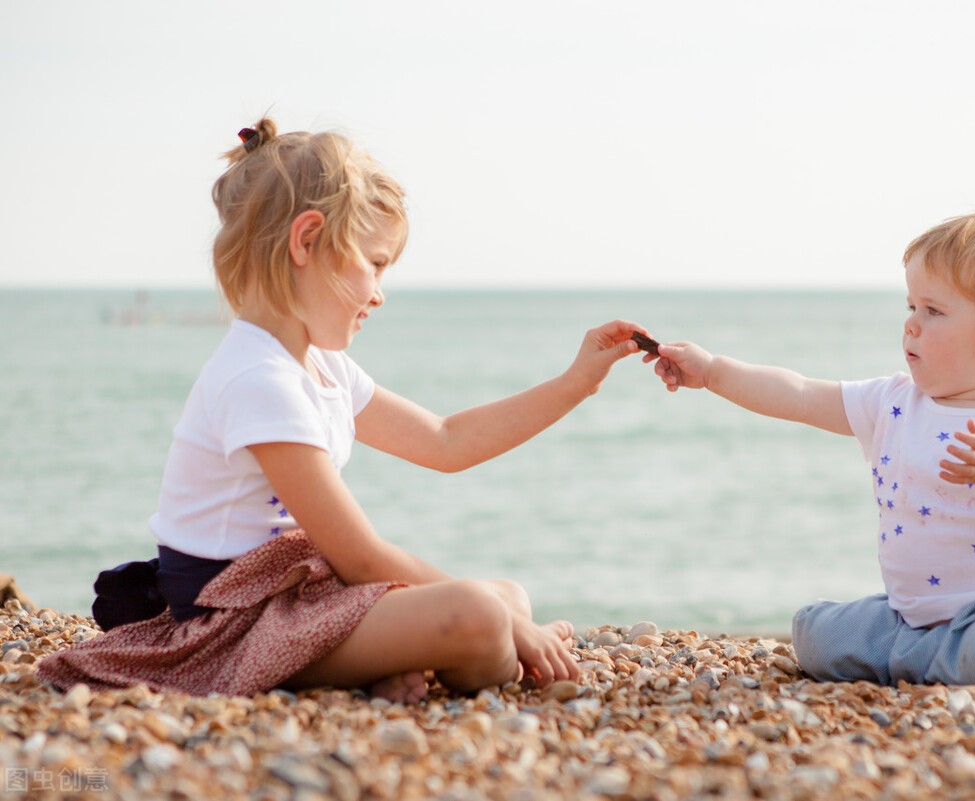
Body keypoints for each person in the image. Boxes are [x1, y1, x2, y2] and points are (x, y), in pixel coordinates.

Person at [37, 118, 647, 703]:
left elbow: (446, 440)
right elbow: (359, 556)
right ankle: (366, 666)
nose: (380, 293)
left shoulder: (320, 366)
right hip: (234, 622)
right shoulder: (258, 378)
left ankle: (380, 662)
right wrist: (511, 629)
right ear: (306, 240)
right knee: (486, 615)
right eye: (374, 264)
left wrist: (577, 383)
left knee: (507, 596)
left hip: (300, 596)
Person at [645, 207, 975, 697]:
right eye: (912, 306)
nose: (911, 323)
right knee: (814, 635)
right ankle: (926, 659)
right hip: (906, 615)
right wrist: (712, 372)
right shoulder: (894, 402)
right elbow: (800, 394)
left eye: (935, 310)